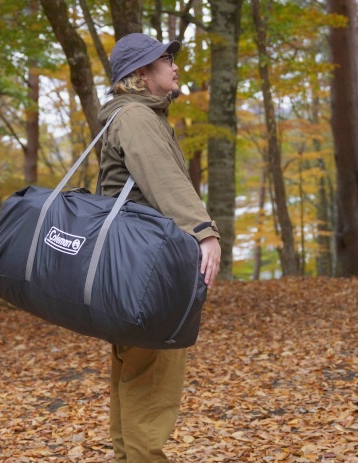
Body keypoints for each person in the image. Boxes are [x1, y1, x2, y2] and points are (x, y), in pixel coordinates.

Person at [97, 32, 222, 463]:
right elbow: (163, 180)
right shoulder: (136, 117)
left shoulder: (133, 115)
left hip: (132, 267)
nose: (175, 65)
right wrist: (204, 231)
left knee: (136, 374)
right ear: (141, 73)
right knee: (152, 381)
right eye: (166, 60)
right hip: (147, 270)